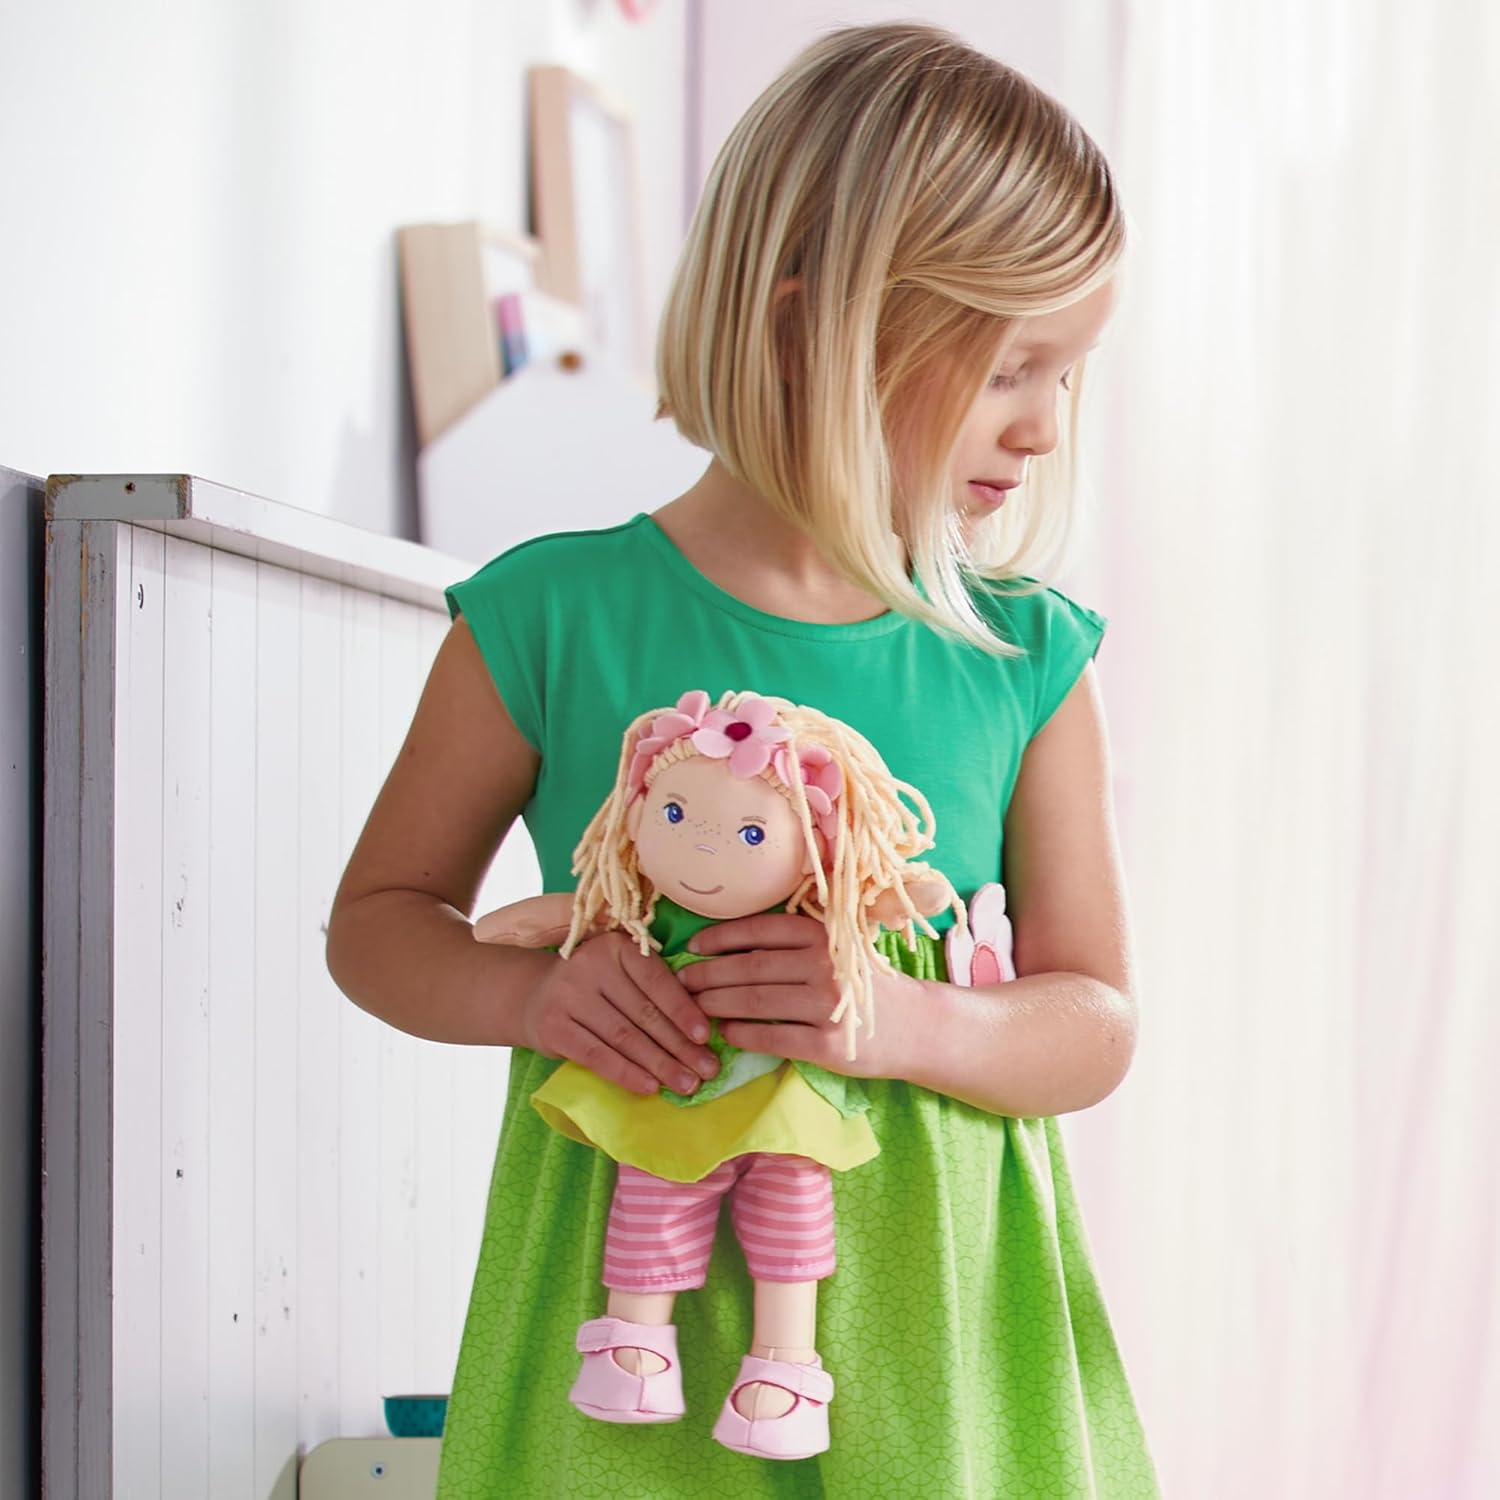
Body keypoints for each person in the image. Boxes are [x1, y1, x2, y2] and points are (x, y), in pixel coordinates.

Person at [327, 20, 1160, 1498]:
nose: (1042, 430)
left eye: (1066, 378)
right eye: (1011, 368)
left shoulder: (1027, 662)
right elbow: (379, 927)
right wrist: (533, 993)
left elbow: (1092, 1020)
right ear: (805, 328)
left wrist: (905, 1026)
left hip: (933, 1340)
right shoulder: (548, 618)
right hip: (625, 1340)